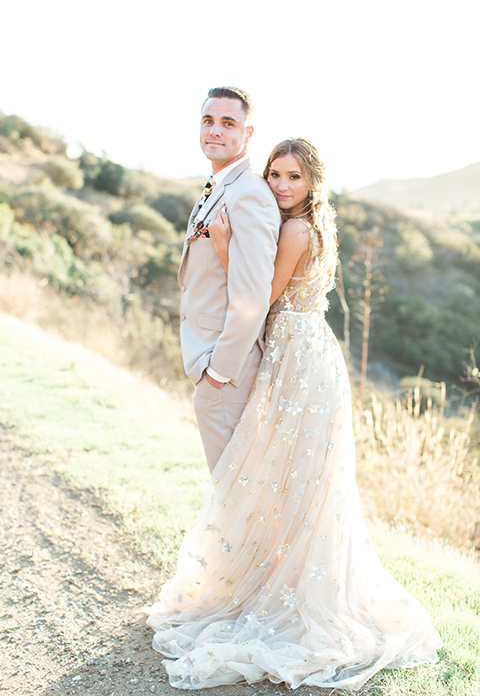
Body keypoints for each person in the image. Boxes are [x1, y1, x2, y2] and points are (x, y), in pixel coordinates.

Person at [146, 138, 441, 690]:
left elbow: (260, 295)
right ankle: (277, 581)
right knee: (297, 483)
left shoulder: (297, 229)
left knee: (285, 482)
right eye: (275, 175)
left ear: (313, 184)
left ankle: (283, 593)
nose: (281, 186)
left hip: (297, 358)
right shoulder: (316, 225)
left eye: (294, 178)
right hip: (309, 353)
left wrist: (228, 244)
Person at [178, 86, 281, 472]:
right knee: (231, 490)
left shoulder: (249, 193)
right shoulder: (219, 185)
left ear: (247, 134)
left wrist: (218, 373)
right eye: (208, 121)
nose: (215, 131)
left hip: (226, 369)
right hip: (207, 356)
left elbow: (253, 296)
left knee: (232, 490)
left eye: (228, 123)